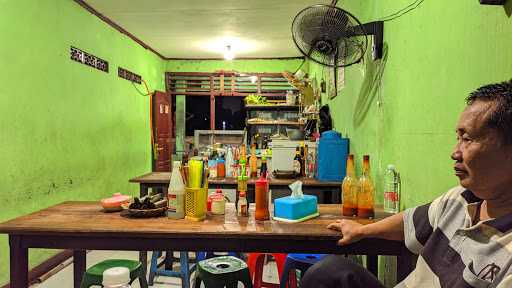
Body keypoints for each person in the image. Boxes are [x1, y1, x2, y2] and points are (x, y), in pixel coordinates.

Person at [300, 79, 512, 288]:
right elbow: (410, 221)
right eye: (458, 137)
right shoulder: (458, 199)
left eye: (468, 139)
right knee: (328, 271)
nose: (455, 152)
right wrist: (363, 231)